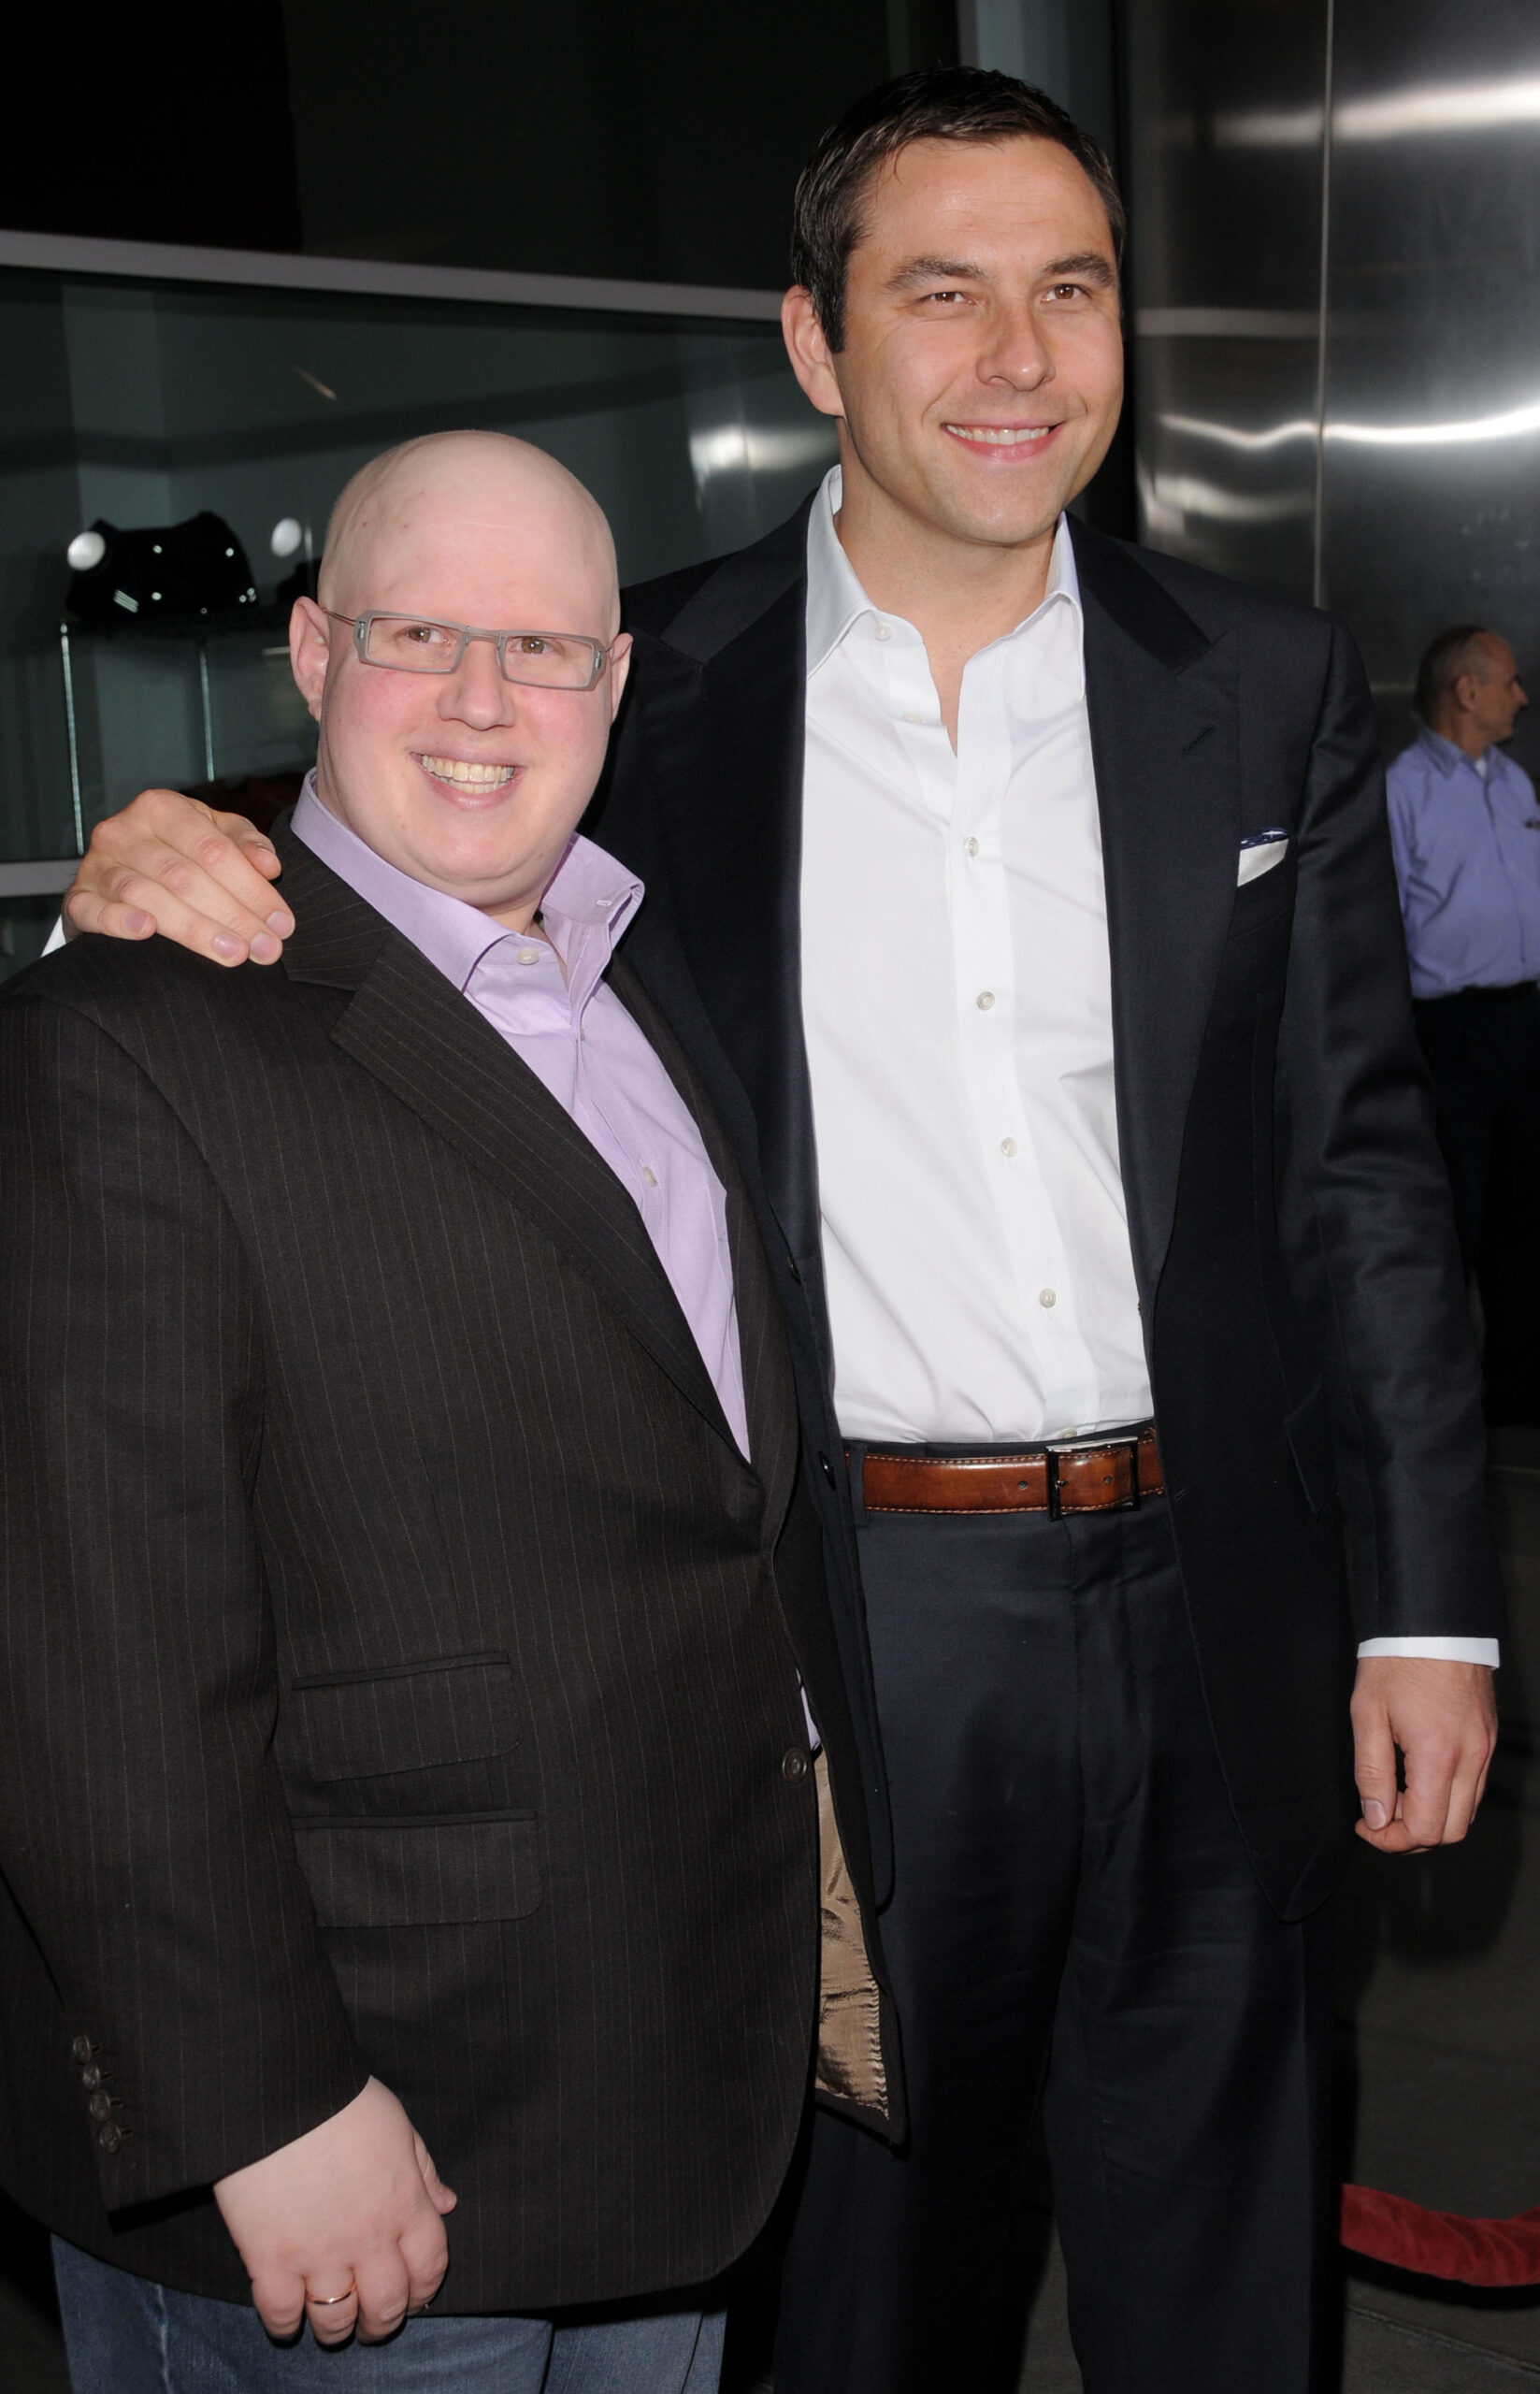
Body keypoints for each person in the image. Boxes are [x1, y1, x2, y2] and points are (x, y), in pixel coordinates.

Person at [55, 68, 1504, 2394]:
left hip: (1216, 1602)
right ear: (821, 345)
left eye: (1070, 289)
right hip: (837, 1626)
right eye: (942, 293)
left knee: (1231, 2273)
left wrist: (1427, 1600)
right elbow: (412, 782)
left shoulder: (1259, 685)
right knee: (848, 2295)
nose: (1018, 356)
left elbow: (1356, 1173)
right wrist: (148, 859)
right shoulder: (657, 687)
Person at [0, 430, 898, 2393]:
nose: (486, 701)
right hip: (340, 2139)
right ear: (312, 655)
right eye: (421, 633)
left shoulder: (646, 981)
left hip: (659, 2091)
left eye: (546, 645)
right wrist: (258, 2099)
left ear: (617, 680)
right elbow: (86, 1653)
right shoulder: (124, 1038)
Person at [1388, 624, 1540, 1422]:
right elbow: (1377, 926)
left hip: (1524, 1026)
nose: (1520, 696)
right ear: (1466, 690)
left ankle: (1515, 1394)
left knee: (1524, 1218)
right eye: (1509, 682)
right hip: (1450, 1034)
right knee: (1454, 1219)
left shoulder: (1512, 784)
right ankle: (1438, 1404)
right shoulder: (1402, 789)